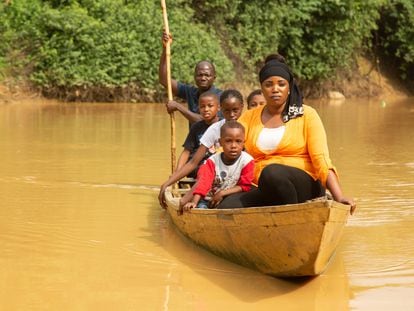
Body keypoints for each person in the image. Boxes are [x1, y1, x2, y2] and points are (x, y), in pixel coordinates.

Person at [217, 57, 356, 214]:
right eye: (268, 84)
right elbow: (226, 147)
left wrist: (339, 196)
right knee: (225, 207)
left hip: (304, 184)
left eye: (281, 84)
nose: (275, 89)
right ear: (262, 89)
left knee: (272, 173)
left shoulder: (307, 115)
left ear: (289, 88)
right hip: (262, 185)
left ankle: (292, 217)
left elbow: (321, 160)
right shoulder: (249, 117)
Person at [158, 89, 245, 208]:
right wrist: (168, 183)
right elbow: (193, 162)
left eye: (235, 110)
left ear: (242, 107)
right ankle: (191, 200)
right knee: (205, 169)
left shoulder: (248, 125)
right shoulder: (215, 129)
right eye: (227, 111)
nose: (231, 115)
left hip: (240, 175)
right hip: (216, 176)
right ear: (221, 109)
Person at [181, 121, 254, 211]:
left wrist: (222, 193)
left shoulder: (247, 161)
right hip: (208, 199)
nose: (234, 146)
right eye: (228, 141)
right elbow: (204, 182)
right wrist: (194, 202)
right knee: (201, 208)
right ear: (220, 142)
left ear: (244, 142)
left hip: (230, 198)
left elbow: (245, 186)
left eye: (238, 141)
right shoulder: (212, 161)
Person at [159, 31, 222, 126]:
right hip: (193, 140)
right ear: (194, 77)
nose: (203, 78)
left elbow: (204, 121)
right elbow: (164, 80)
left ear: (214, 78)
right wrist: (165, 49)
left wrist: (178, 107)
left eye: (207, 75)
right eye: (200, 75)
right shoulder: (191, 92)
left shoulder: (220, 97)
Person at [175, 91, 220, 178]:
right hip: (197, 166)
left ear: (218, 107)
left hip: (217, 165)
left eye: (210, 106)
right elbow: (186, 151)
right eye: (202, 106)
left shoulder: (224, 125)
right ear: (199, 108)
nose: (206, 109)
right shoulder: (196, 127)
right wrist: (177, 172)